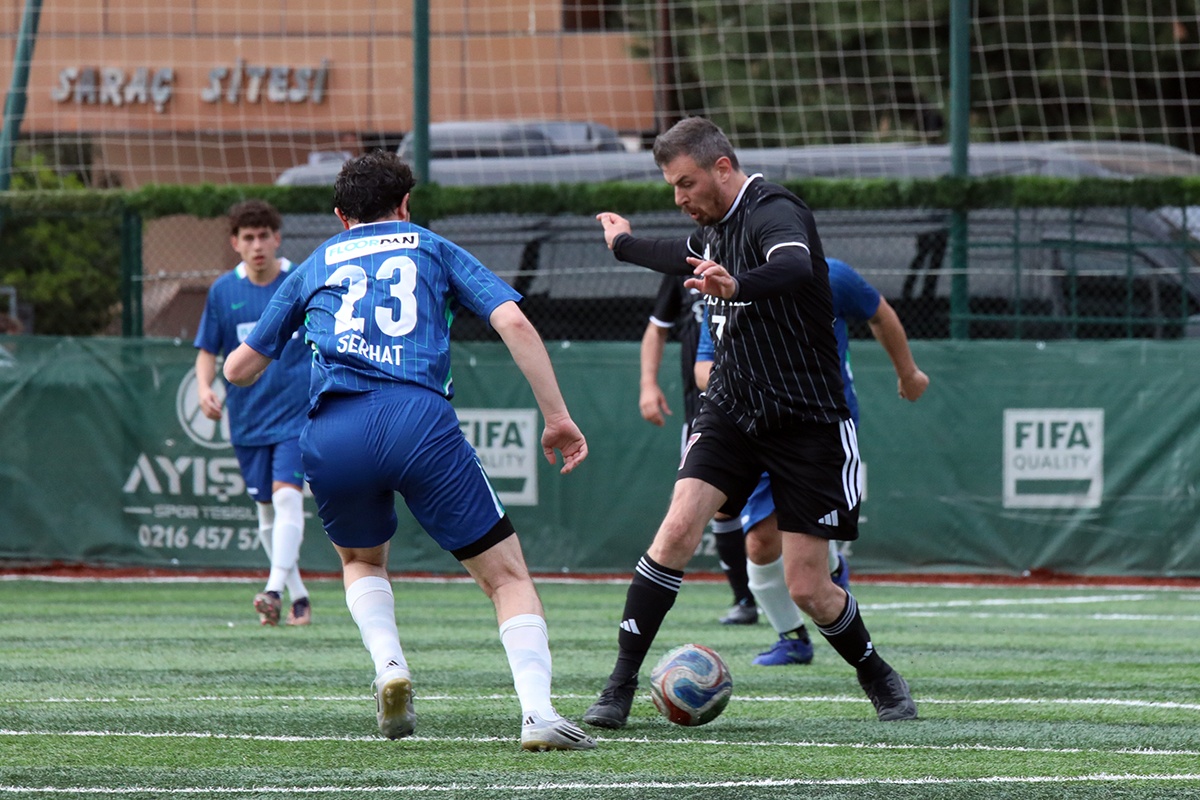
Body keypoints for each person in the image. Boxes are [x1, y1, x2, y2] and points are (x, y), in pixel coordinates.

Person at [222, 151, 596, 751]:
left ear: (341, 216)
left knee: (362, 562)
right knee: (506, 578)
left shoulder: (315, 264)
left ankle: (390, 667)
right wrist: (557, 417)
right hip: (417, 420)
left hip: (333, 432)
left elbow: (240, 369)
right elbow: (514, 323)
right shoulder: (430, 246)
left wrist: (265, 346)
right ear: (404, 205)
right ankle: (537, 713)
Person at [583, 116, 917, 728]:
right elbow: (677, 255)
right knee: (675, 533)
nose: (679, 198)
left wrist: (736, 285)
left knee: (808, 587)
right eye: (671, 187)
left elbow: (792, 266)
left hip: (808, 418)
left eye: (685, 183)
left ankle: (877, 674)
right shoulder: (713, 231)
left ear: (722, 168)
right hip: (733, 408)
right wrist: (624, 244)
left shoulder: (774, 211)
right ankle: (618, 686)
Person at [694, 258, 930, 666]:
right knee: (760, 542)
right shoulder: (725, 283)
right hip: (753, 425)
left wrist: (908, 372)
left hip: (821, 424)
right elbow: (702, 365)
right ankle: (793, 638)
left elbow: (880, 313)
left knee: (806, 551)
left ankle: (833, 575)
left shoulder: (831, 274)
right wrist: (748, 384)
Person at [194, 199, 313, 627]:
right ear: (235, 243)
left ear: (277, 238)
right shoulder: (223, 291)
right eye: (249, 238)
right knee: (266, 509)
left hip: (298, 415)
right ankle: (298, 595)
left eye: (264, 236)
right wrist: (204, 387)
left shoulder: (303, 281)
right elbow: (208, 350)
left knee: (286, 497)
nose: (257, 245)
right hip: (248, 418)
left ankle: (272, 590)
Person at [639, 274, 758, 625]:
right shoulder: (682, 266)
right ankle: (744, 598)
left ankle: (816, 580)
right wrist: (648, 385)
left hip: (768, 410)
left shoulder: (760, 264)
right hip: (705, 411)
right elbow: (657, 328)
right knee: (719, 508)